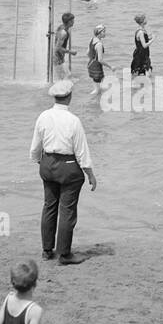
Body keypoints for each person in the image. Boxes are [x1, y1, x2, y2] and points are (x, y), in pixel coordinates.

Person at [30, 79, 96, 264]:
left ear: (54, 97)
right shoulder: (73, 120)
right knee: (67, 210)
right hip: (68, 167)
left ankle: (47, 250)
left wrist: (40, 162)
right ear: (69, 96)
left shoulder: (43, 116)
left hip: (47, 164)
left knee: (49, 206)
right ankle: (64, 254)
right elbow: (82, 152)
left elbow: (35, 147)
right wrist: (90, 174)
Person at [85, 25, 115, 95]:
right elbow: (100, 60)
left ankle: (96, 99)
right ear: (99, 33)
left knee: (99, 85)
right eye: (104, 32)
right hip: (96, 68)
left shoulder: (92, 39)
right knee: (97, 90)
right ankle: (88, 98)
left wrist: (93, 59)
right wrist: (110, 67)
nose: (105, 33)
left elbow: (87, 53)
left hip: (90, 65)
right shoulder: (99, 44)